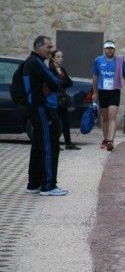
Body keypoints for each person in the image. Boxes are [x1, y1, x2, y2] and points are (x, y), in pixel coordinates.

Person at [24, 35, 68, 196]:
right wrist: (52, 82)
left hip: (33, 107)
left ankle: (33, 184)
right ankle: (48, 186)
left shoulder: (29, 62)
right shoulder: (36, 62)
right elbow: (55, 80)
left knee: (37, 145)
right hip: (41, 108)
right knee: (49, 145)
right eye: (48, 47)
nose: (51, 50)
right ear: (38, 47)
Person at [92, 40, 125, 151]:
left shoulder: (120, 61)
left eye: (111, 48)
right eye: (107, 48)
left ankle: (111, 140)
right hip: (102, 91)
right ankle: (105, 139)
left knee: (112, 115)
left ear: (114, 49)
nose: (109, 50)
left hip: (114, 91)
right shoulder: (98, 61)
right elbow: (95, 77)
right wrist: (94, 92)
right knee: (104, 117)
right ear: (104, 49)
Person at [49, 49, 80, 150]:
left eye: (62, 56)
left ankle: (68, 144)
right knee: (56, 123)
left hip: (62, 100)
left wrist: (60, 82)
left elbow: (70, 82)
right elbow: (53, 83)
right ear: (53, 58)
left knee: (66, 122)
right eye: (58, 57)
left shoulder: (62, 70)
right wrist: (62, 82)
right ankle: (55, 144)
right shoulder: (51, 70)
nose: (60, 58)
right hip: (54, 99)